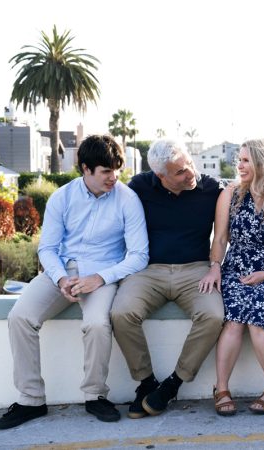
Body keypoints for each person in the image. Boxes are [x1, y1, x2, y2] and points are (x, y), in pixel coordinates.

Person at [0, 135, 149, 429]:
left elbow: (139, 255)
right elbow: (47, 249)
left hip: (103, 276)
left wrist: (99, 278)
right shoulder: (62, 197)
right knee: (20, 317)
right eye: (105, 171)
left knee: (97, 325)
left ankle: (94, 396)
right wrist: (61, 278)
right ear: (85, 169)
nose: (113, 178)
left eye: (116, 170)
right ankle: (31, 401)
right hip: (61, 273)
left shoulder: (128, 199)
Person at [110, 139, 224, 419]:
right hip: (149, 270)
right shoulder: (139, 187)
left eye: (190, 165)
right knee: (121, 313)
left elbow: (237, 228)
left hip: (196, 269)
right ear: (161, 176)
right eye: (180, 172)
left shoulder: (211, 188)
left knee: (213, 316)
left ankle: (172, 384)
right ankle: (147, 383)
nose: (191, 174)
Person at [200, 138, 264, 416]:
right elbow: (219, 238)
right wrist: (215, 266)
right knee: (233, 323)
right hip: (235, 268)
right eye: (239, 160)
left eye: (246, 160)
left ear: (262, 162)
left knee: (257, 323)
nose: (240, 165)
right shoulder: (230, 193)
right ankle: (221, 388)